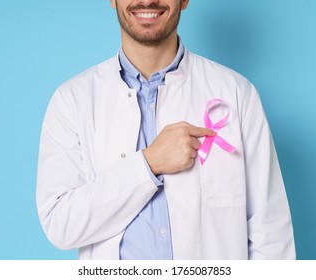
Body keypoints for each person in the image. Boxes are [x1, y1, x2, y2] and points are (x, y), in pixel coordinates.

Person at [36, 0, 295, 260]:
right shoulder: (72, 100)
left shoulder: (236, 93)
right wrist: (148, 164)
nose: (147, 1)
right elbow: (60, 224)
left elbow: (271, 234)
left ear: (184, 0)